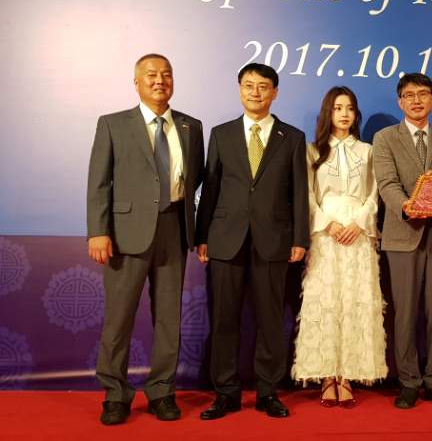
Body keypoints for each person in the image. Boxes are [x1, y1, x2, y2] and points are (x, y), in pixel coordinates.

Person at [87, 54, 204, 425]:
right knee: (119, 318)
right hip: (125, 234)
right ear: (136, 82)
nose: (159, 81)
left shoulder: (191, 126)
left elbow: (196, 180)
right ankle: (115, 394)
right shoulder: (113, 124)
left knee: (169, 318)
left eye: (166, 75)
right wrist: (98, 231)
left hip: (175, 229)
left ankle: (162, 392)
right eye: (151, 75)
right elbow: (98, 182)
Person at [195, 63, 309, 420]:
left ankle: (267, 392)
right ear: (239, 89)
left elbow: (299, 192)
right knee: (224, 319)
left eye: (263, 86)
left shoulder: (292, 137)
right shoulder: (221, 134)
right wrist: (202, 236)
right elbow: (210, 188)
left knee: (270, 320)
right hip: (225, 239)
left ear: (275, 92)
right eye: (248, 85)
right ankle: (225, 393)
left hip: (274, 240)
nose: (255, 92)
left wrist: (300, 237)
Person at [291, 86, 387, 407]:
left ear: (355, 113)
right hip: (325, 235)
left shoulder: (368, 151)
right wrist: (326, 223)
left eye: (349, 108)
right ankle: (327, 375)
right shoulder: (312, 151)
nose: (344, 114)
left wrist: (359, 222)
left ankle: (348, 375)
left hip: (359, 234)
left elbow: (375, 194)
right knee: (327, 300)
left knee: (355, 300)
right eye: (337, 108)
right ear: (327, 113)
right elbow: (305, 195)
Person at [372, 73, 432, 409]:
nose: (417, 100)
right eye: (410, 95)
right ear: (400, 102)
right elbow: (386, 183)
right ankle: (408, 380)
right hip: (402, 233)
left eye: (423, 94)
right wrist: (407, 207)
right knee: (404, 313)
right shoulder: (384, 138)